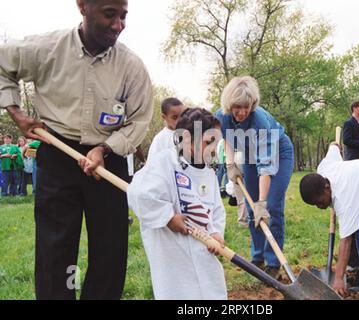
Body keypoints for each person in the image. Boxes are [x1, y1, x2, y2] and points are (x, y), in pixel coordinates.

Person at [0, 0, 153, 299]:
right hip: (57, 152)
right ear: (83, 6)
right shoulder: (46, 48)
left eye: (123, 16)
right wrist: (16, 113)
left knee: (110, 248)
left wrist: (105, 150)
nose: (118, 25)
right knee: (55, 247)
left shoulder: (131, 66)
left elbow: (139, 120)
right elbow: (4, 65)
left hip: (109, 158)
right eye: (109, 14)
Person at [127, 108, 227, 300]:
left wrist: (216, 233)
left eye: (217, 143)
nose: (214, 149)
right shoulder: (164, 163)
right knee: (180, 293)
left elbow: (217, 210)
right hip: (173, 253)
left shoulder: (209, 173)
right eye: (209, 142)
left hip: (203, 250)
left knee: (211, 291)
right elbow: (139, 194)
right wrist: (168, 217)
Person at [215, 76, 294, 279]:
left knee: (271, 207)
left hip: (278, 153)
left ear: (253, 104)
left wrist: (262, 201)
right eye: (237, 107)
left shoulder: (259, 120)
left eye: (246, 107)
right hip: (250, 156)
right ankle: (258, 257)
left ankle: (273, 263)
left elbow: (265, 167)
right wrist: (230, 166)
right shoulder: (222, 117)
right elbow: (227, 139)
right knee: (251, 209)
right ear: (229, 104)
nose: (242, 112)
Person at [300, 143, 359, 296]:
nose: (319, 206)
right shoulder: (323, 169)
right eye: (315, 205)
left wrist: (338, 278)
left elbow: (346, 239)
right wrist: (334, 145)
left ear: (326, 187)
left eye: (320, 202)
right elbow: (333, 150)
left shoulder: (344, 199)